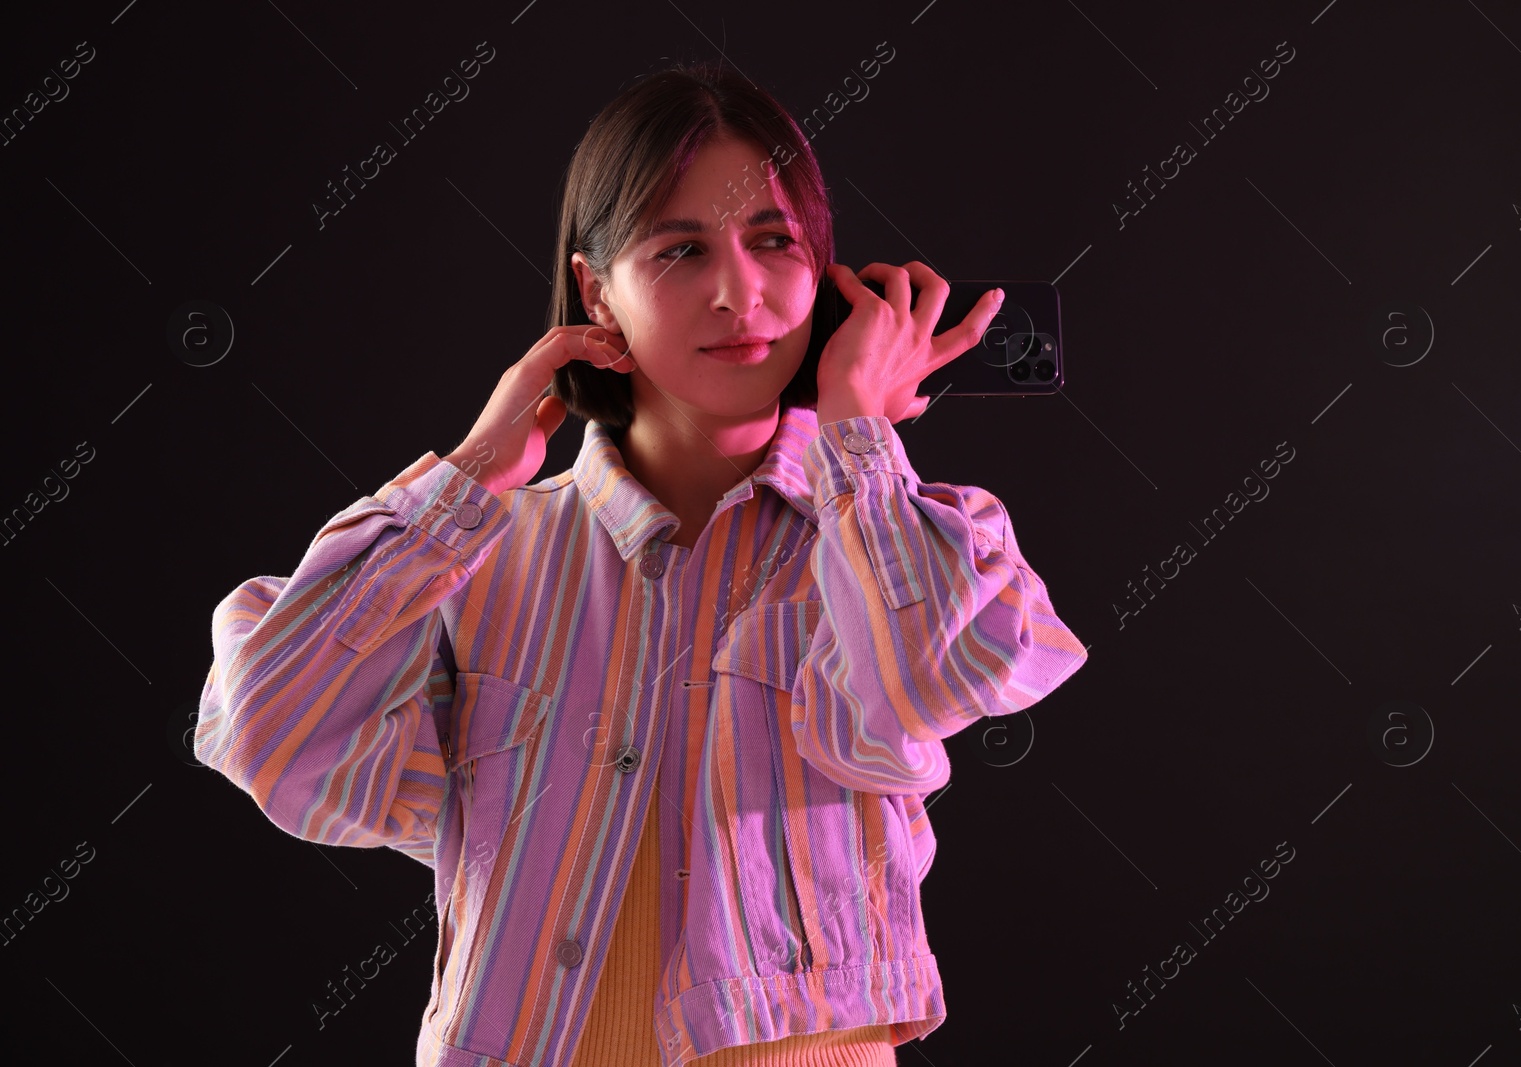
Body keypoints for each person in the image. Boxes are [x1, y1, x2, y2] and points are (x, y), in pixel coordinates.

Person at [195, 59, 1088, 1067]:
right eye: (679, 249)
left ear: (827, 279)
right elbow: (271, 732)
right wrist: (473, 475)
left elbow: (922, 680)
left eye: (773, 243)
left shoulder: (909, 537)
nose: (736, 293)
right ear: (594, 289)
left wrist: (855, 440)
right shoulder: (481, 556)